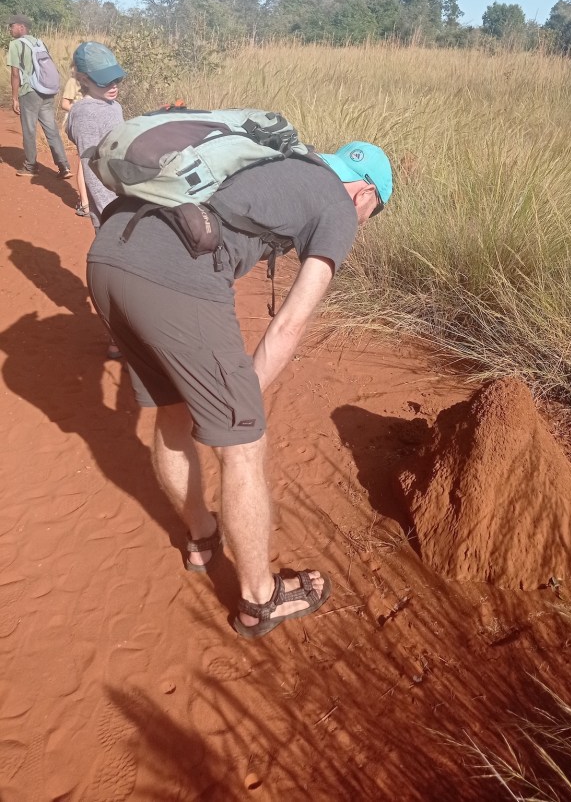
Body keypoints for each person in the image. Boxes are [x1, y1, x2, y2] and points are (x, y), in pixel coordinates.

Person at [87, 137, 393, 639]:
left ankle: (202, 538)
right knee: (244, 444)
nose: (362, 223)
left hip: (109, 254)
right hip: (172, 277)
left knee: (172, 410)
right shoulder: (339, 206)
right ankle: (260, 600)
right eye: (370, 214)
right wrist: (241, 402)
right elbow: (290, 325)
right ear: (365, 194)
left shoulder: (280, 159)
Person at [68, 42, 127, 361]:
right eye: (104, 80)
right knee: (117, 272)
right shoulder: (87, 113)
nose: (113, 85)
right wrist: (111, 215)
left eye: (115, 78)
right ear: (83, 79)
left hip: (125, 200)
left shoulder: (112, 105)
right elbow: (90, 169)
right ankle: (117, 338)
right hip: (110, 209)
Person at [6, 14, 71, 178]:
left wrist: (14, 98)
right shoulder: (39, 42)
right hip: (46, 91)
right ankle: (64, 166)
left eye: (12, 26)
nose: (10, 29)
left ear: (21, 27)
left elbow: (15, 74)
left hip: (29, 92)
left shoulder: (15, 44)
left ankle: (30, 166)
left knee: (29, 130)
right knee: (52, 129)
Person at [60, 72, 88, 216]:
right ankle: (85, 203)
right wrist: (83, 109)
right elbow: (64, 104)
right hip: (80, 123)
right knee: (85, 159)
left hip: (95, 122)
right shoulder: (73, 81)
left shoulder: (98, 79)